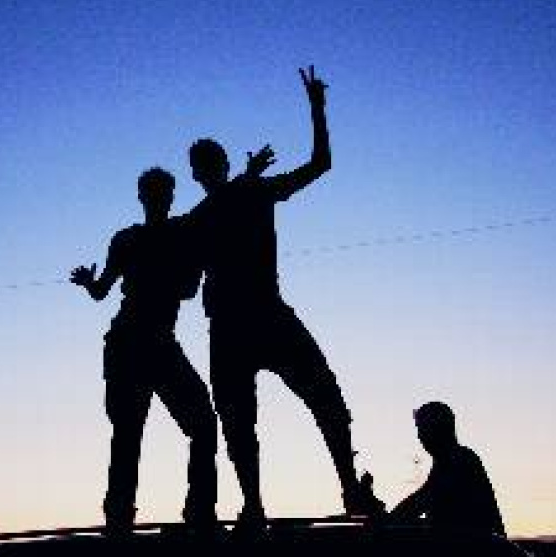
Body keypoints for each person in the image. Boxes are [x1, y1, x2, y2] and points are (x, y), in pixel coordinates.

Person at [183, 66, 383, 532]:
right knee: (248, 418)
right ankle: (260, 503)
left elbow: (319, 165)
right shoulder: (232, 199)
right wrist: (316, 110)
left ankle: (338, 488)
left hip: (258, 319)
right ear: (209, 170)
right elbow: (319, 164)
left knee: (318, 399)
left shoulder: (234, 199)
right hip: (241, 324)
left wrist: (317, 109)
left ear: (203, 171)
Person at [70, 168, 218, 536]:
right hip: (140, 344)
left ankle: (128, 517)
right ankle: (191, 512)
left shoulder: (137, 238)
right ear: (161, 197)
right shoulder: (166, 235)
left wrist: (91, 283)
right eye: (159, 193)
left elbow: (101, 292)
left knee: (133, 434)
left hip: (139, 344)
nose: (160, 198)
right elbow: (185, 290)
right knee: (166, 428)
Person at [389, 401, 506, 538]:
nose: (420, 437)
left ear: (439, 430)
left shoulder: (459, 460)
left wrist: (388, 521)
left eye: (423, 429)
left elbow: (423, 500)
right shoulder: (449, 461)